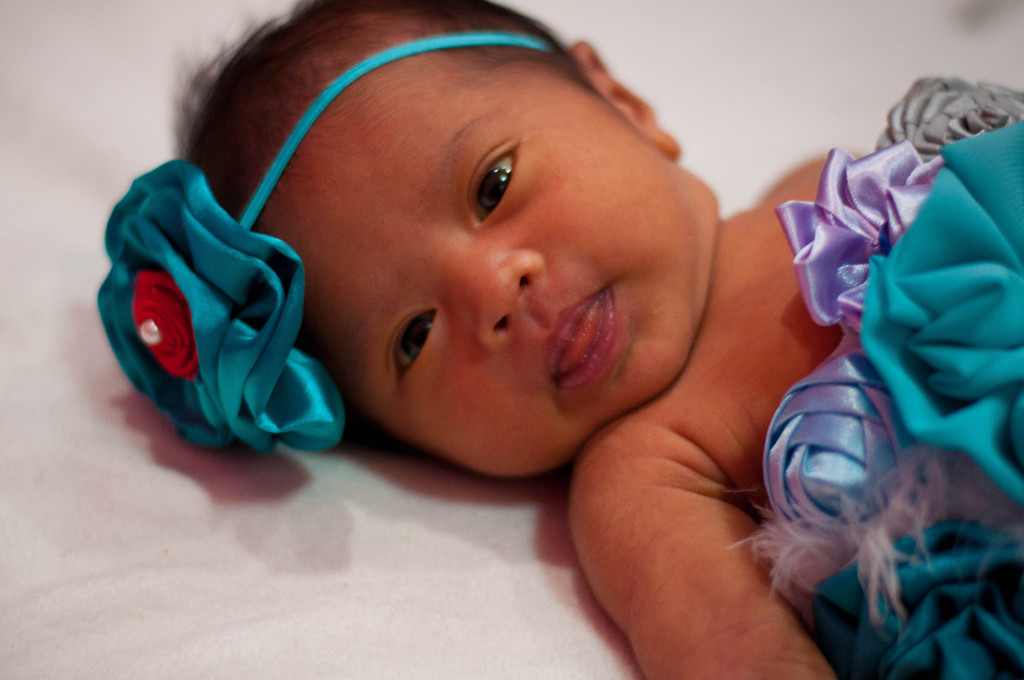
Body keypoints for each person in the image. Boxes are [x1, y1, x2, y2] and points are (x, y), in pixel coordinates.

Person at [97, 1, 1024, 678]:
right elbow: (730, 651)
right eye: (413, 338)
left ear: (622, 101)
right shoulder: (643, 472)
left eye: (492, 185)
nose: (494, 292)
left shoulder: (826, 176)